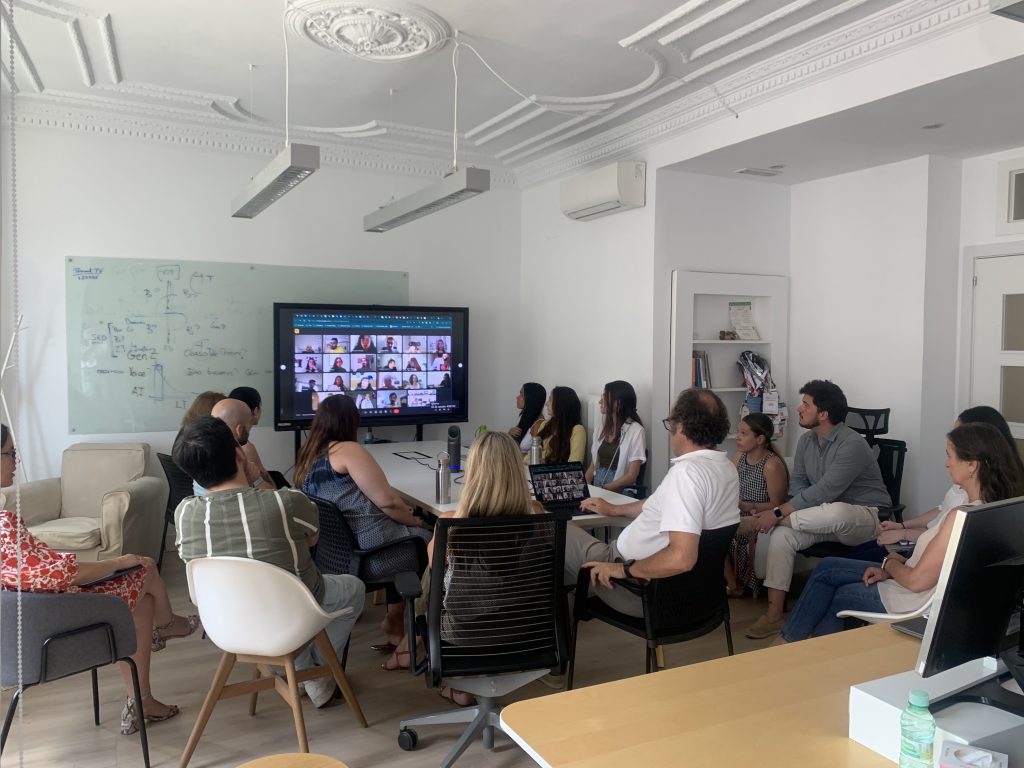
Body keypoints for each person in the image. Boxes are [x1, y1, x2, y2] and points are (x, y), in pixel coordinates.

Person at [1, 425, 198, 734]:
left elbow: (42, 570)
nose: (16, 460)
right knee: (145, 568)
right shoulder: (3, 525)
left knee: (143, 603)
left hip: (27, 618)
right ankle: (169, 625)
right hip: (49, 629)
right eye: (10, 453)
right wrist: (117, 562)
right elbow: (58, 574)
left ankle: (142, 699)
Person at [173, 417, 365, 708]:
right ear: (239, 454)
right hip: (290, 614)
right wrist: (257, 481)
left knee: (286, 600)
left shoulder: (184, 513)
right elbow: (313, 540)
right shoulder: (285, 502)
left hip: (225, 622)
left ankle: (301, 668)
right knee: (353, 588)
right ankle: (317, 674)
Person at [775, 422, 1024, 643]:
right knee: (829, 570)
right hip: (921, 588)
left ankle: (796, 653)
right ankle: (799, 651)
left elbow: (916, 582)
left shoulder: (962, 516)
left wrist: (890, 563)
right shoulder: (997, 510)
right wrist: (894, 565)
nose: (946, 463)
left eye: (950, 456)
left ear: (972, 465)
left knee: (837, 594)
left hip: (912, 601)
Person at [380, 431, 543, 704]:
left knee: (433, 574)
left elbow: (436, 583)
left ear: (473, 472)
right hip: (526, 627)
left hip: (463, 634)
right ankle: (454, 674)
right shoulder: (539, 516)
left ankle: (424, 654)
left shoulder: (450, 523)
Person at [563, 389, 739, 638]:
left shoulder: (687, 475)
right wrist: (615, 509)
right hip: (699, 597)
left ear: (681, 427)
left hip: (639, 589)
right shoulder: (725, 469)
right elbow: (660, 503)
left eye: (670, 422)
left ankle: (552, 638)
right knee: (568, 566)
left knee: (555, 532)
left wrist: (622, 570)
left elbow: (682, 558)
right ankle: (574, 600)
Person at [746, 380, 891, 639]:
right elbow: (799, 484)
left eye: (806, 404)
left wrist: (777, 514)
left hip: (865, 517)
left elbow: (826, 490)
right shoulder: (806, 441)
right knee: (782, 536)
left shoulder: (852, 444)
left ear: (823, 414)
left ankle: (758, 521)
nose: (799, 409)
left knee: (837, 511)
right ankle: (774, 615)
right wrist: (788, 512)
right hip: (819, 517)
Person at [294, 395, 430, 651]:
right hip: (372, 557)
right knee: (430, 541)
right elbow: (388, 503)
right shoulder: (348, 450)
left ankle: (395, 625)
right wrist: (416, 520)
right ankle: (418, 632)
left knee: (407, 536)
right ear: (350, 421)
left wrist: (403, 512)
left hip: (335, 556)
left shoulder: (308, 455)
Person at [877, 405, 1024, 547]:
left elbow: (945, 541)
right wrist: (902, 525)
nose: (946, 464)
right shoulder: (967, 484)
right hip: (924, 539)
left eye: (959, 432)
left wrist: (903, 536)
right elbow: (942, 509)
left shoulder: (975, 499)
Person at [726, 413, 788, 597]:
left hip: (759, 517)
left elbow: (778, 505)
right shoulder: (739, 456)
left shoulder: (771, 465)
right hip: (739, 511)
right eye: (738, 432)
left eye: (744, 433)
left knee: (719, 533)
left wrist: (749, 506)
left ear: (760, 439)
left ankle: (734, 586)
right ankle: (729, 583)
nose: (738, 437)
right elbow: (728, 484)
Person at [585, 380, 646, 493]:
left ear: (617, 403)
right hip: (599, 489)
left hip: (621, 491)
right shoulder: (600, 429)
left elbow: (632, 476)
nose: (600, 402)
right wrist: (584, 485)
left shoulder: (636, 431)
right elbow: (593, 465)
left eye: (604, 398)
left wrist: (606, 489)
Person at [531, 386, 586, 464]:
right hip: (537, 469)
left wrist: (543, 461)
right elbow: (530, 457)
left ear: (560, 404)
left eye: (550, 399)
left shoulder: (577, 430)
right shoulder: (545, 425)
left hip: (557, 472)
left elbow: (575, 464)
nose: (546, 403)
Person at [509, 382, 546, 453]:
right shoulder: (527, 419)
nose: (517, 397)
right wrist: (509, 434)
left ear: (531, 398)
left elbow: (538, 456)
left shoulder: (538, 425)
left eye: (521, 394)